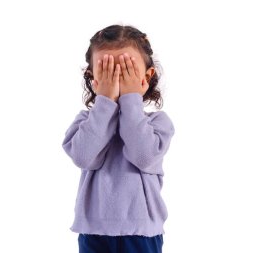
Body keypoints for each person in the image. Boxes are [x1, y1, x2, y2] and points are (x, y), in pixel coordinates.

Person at [62, 24, 175, 253]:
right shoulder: (85, 121)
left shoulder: (158, 124)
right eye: (107, 71)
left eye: (125, 71)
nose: (116, 78)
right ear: (93, 78)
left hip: (142, 233)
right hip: (94, 232)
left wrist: (131, 100)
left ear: (146, 76)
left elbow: (144, 156)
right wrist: (105, 102)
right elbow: (84, 156)